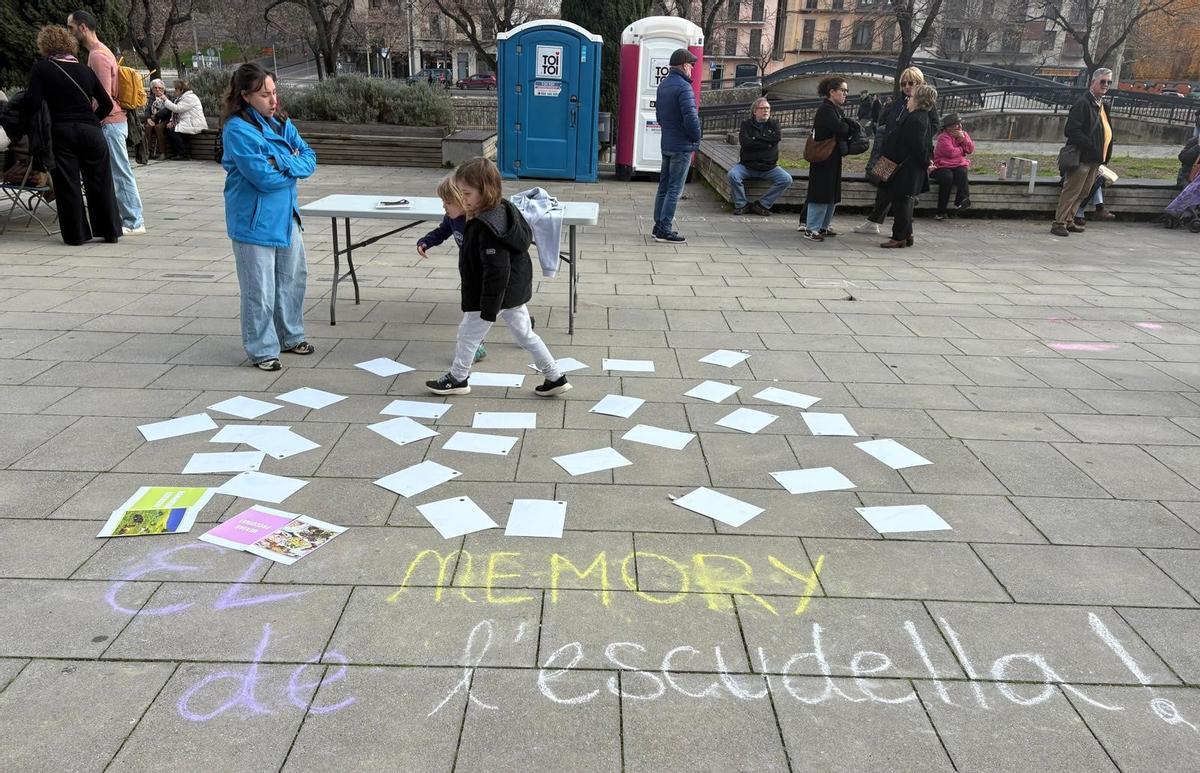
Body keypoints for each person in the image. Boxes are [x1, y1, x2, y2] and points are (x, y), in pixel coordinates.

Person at [425, 157, 571, 397]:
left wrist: (488, 308)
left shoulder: (486, 227)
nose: (462, 199)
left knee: (468, 335)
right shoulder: (501, 208)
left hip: (493, 294)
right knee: (525, 335)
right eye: (460, 193)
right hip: (512, 290)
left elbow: (497, 272)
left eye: (467, 194)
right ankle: (555, 376)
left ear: (486, 192)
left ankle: (458, 378)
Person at [220, 63, 317, 372]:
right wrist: (292, 167)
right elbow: (262, 177)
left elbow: (310, 159)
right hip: (254, 221)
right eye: (265, 95)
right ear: (246, 96)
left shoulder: (281, 122)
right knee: (259, 289)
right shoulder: (237, 129)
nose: (273, 101)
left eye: (275, 93)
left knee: (292, 280)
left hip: (286, 217)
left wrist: (281, 161)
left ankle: (290, 335)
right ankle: (262, 349)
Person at [20, 25, 120, 246]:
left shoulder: (41, 69)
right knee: (100, 181)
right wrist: (93, 120)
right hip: (91, 131)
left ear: (44, 46)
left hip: (61, 132)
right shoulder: (85, 70)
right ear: (69, 44)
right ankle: (109, 230)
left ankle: (76, 235)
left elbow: (33, 103)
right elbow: (106, 103)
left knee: (69, 184)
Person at [67, 9, 146, 236]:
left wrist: (92, 120)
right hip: (112, 121)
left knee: (119, 172)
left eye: (71, 28)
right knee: (118, 171)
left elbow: (101, 97)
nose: (69, 32)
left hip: (110, 122)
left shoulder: (97, 55)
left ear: (83, 28)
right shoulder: (100, 52)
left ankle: (134, 220)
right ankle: (131, 218)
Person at [853, 67, 937, 235]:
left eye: (911, 83)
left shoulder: (925, 105)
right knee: (883, 185)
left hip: (906, 157)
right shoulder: (900, 102)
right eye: (903, 83)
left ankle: (899, 229)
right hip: (890, 153)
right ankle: (874, 221)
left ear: (919, 83)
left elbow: (931, 128)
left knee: (903, 194)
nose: (907, 86)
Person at [417, 175, 486, 362]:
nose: (444, 207)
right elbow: (442, 231)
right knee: (474, 310)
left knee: (503, 307)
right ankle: (476, 344)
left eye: (447, 202)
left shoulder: (478, 221)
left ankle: (474, 345)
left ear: (462, 201)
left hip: (488, 273)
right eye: (443, 202)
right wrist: (425, 242)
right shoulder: (451, 218)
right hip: (468, 271)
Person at [1052, 68, 1115, 237]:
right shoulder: (1083, 103)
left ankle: (1070, 220)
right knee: (1072, 190)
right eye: (1103, 81)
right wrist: (1090, 145)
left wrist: (1104, 153)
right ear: (1093, 82)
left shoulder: (1102, 105)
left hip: (1095, 158)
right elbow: (1071, 130)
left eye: (1109, 82)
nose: (1106, 85)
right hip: (1082, 157)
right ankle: (1059, 223)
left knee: (1085, 191)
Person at [652, 48, 701, 244]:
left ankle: (657, 226)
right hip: (682, 145)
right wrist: (696, 138)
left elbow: (659, 117)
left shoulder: (663, 85)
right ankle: (665, 229)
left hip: (667, 143)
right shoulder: (684, 88)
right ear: (683, 65)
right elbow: (691, 117)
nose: (692, 69)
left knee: (663, 187)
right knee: (675, 189)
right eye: (691, 65)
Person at [880, 84, 936, 248]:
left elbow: (918, 146)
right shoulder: (919, 116)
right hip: (907, 167)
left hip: (906, 169)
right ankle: (907, 234)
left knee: (901, 202)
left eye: (911, 98)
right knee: (902, 201)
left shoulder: (917, 119)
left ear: (918, 100)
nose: (908, 101)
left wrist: (926, 162)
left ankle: (899, 237)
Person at [801, 77, 855, 242]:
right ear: (832, 92)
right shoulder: (826, 109)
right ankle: (811, 228)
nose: (845, 94)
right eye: (842, 90)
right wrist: (847, 126)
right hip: (823, 157)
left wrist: (846, 126)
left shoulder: (835, 109)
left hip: (832, 156)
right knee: (821, 192)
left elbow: (843, 128)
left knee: (831, 192)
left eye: (847, 91)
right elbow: (841, 128)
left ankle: (823, 226)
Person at [727, 98, 792, 216]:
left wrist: (755, 138)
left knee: (786, 179)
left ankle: (763, 204)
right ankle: (741, 205)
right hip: (747, 166)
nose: (766, 111)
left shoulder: (774, 124)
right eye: (762, 108)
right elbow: (745, 143)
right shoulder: (746, 124)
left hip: (769, 167)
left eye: (768, 108)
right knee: (733, 175)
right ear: (754, 111)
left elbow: (776, 138)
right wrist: (767, 143)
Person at [930, 112, 973, 220]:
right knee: (947, 177)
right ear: (948, 127)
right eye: (955, 125)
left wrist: (963, 139)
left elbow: (970, 149)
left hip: (958, 165)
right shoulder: (943, 138)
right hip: (941, 165)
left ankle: (962, 200)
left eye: (959, 124)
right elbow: (951, 153)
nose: (958, 127)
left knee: (962, 172)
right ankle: (941, 211)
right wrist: (962, 149)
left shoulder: (963, 135)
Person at [160, 79, 207, 160]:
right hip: (187, 122)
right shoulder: (180, 98)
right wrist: (171, 121)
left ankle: (182, 154)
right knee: (171, 129)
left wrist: (165, 100)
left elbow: (177, 109)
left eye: (176, 89)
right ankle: (177, 153)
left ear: (182, 90)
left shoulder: (190, 98)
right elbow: (174, 113)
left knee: (174, 131)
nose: (174, 91)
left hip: (194, 123)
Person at [144, 79, 171, 160]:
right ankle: (148, 152)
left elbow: (168, 110)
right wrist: (148, 118)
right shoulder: (151, 97)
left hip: (165, 119)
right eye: (155, 88)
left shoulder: (168, 97)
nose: (157, 90)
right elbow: (147, 109)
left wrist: (155, 116)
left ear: (164, 88)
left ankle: (163, 153)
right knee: (148, 127)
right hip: (153, 118)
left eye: (160, 88)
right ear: (152, 89)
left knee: (158, 127)